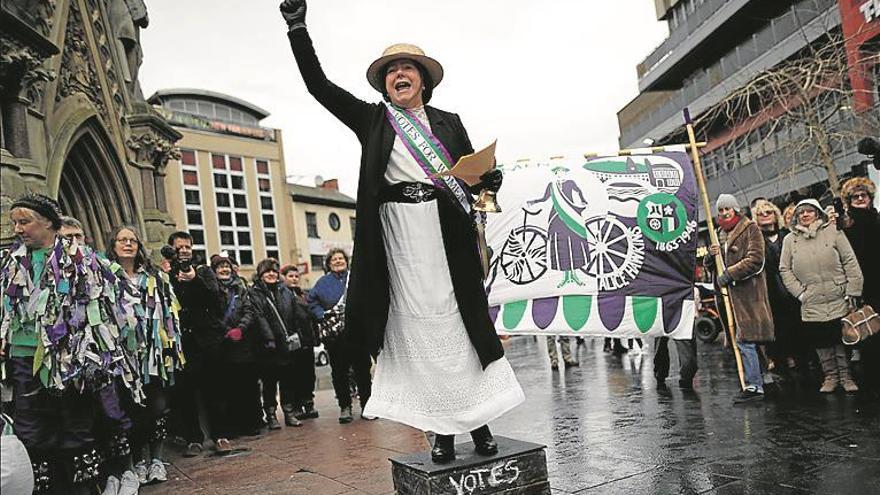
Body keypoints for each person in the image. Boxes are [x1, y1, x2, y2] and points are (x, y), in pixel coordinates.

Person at [281, 0, 524, 463]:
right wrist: (297, 28)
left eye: (407, 67)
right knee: (417, 331)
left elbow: (470, 177)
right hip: (398, 239)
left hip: (444, 235)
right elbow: (318, 86)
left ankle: (481, 425)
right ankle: (442, 434)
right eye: (391, 70)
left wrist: (490, 178)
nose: (398, 75)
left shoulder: (449, 123)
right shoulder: (371, 119)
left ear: (423, 80)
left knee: (459, 326)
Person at [1, 194, 140, 494]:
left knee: (74, 423)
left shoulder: (82, 260)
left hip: (70, 360)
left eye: (24, 221)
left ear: (49, 223)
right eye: (14, 223)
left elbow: (106, 310)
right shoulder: (10, 261)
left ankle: (85, 487)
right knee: (30, 427)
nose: (17, 229)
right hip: (25, 358)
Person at [104, 225, 184, 488]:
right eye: (122, 240)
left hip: (154, 355)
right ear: (113, 245)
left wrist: (170, 348)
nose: (128, 244)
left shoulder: (154, 277)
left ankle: (157, 460)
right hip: (123, 356)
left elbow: (170, 317)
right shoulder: (106, 276)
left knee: (157, 406)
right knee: (130, 409)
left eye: (132, 240)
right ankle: (137, 461)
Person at [162, 232, 236, 454]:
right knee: (186, 393)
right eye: (179, 247)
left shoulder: (203, 271)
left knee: (215, 389)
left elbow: (214, 298)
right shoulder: (166, 274)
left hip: (208, 340)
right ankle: (193, 438)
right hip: (183, 342)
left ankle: (220, 435)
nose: (183, 251)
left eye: (187, 247)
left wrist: (194, 279)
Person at [780, 199, 864, 393]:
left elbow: (850, 261)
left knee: (840, 337)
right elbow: (784, 269)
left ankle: (846, 376)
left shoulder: (834, 232)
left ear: (818, 213)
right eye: (801, 213)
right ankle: (830, 377)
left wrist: (853, 290)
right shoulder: (789, 240)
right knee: (821, 339)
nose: (805, 215)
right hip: (811, 299)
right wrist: (800, 294)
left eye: (809, 211)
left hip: (839, 295)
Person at [706, 194, 775, 404]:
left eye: (728, 209)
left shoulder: (750, 228)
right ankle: (765, 378)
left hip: (749, 295)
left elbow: (756, 260)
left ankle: (754, 385)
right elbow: (714, 266)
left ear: (736, 209)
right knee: (747, 339)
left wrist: (730, 274)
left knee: (745, 339)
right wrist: (711, 256)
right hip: (729, 298)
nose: (724, 213)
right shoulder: (717, 233)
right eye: (721, 210)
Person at [306, 249, 373, 424]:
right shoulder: (322, 283)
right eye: (334, 259)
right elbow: (311, 302)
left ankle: (367, 405)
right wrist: (321, 314)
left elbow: (368, 298)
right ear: (328, 264)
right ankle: (345, 406)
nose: (338, 261)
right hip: (335, 337)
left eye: (341, 258)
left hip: (358, 332)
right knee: (339, 372)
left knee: (362, 371)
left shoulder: (356, 278)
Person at [249, 258, 313, 429]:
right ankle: (271, 415)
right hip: (267, 346)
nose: (271, 274)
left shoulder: (285, 291)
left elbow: (295, 316)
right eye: (267, 271)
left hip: (287, 345)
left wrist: (298, 336)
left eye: (274, 271)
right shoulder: (255, 293)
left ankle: (289, 413)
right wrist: (269, 339)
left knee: (288, 382)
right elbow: (259, 317)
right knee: (269, 384)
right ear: (261, 275)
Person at [210, 253, 263, 436]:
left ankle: (252, 424)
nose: (224, 269)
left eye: (227, 266)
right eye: (220, 267)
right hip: (223, 346)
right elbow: (211, 314)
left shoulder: (241, 288)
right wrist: (226, 331)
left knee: (248, 386)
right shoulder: (210, 289)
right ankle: (233, 426)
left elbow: (250, 311)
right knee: (228, 388)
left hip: (244, 345)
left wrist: (241, 328)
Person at [752, 199, 803, 377]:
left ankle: (802, 360)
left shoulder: (787, 235)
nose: (765, 215)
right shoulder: (755, 240)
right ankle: (781, 364)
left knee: (798, 326)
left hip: (792, 286)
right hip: (769, 289)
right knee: (776, 329)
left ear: (776, 215)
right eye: (761, 213)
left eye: (769, 212)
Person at [840, 177, 880, 394]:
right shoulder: (845, 226)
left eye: (863, 195)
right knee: (868, 333)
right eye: (855, 196)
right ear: (848, 200)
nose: (860, 199)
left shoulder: (878, 218)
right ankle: (873, 381)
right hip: (861, 287)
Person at [280, 264, 319, 420]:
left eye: (296, 276)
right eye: (290, 276)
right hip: (292, 342)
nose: (294, 279)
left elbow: (311, 318)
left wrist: (314, 338)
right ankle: (296, 407)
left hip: (306, 341)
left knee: (308, 375)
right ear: (283, 277)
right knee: (293, 376)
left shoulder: (304, 295)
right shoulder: (281, 295)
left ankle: (308, 403)